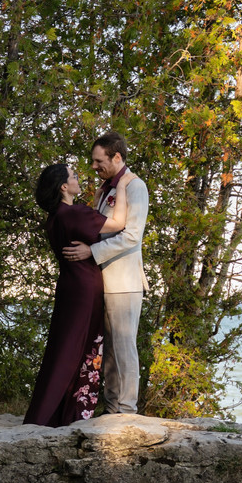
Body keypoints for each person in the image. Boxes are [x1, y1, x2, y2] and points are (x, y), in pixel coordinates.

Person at [23, 160, 132, 427]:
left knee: (65, 347)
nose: (78, 178)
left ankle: (55, 412)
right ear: (64, 186)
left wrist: (96, 199)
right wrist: (125, 186)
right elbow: (118, 223)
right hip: (85, 287)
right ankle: (65, 414)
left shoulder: (57, 217)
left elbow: (88, 219)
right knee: (82, 348)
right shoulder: (75, 214)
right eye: (73, 176)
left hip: (69, 288)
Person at [62, 131, 149, 415]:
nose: (94, 167)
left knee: (123, 349)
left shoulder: (135, 187)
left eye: (99, 161)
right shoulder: (107, 189)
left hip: (124, 281)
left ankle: (125, 410)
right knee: (108, 351)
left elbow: (132, 236)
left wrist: (91, 252)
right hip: (103, 280)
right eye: (92, 161)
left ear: (117, 157)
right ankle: (112, 407)